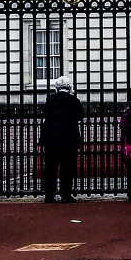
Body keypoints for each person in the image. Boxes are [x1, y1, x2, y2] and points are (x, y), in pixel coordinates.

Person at [38, 75, 83, 203]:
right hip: (68, 138)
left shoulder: (50, 99)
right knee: (67, 168)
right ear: (70, 87)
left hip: (51, 138)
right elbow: (80, 116)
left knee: (50, 168)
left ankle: (49, 195)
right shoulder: (74, 101)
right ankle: (66, 195)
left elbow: (45, 112)